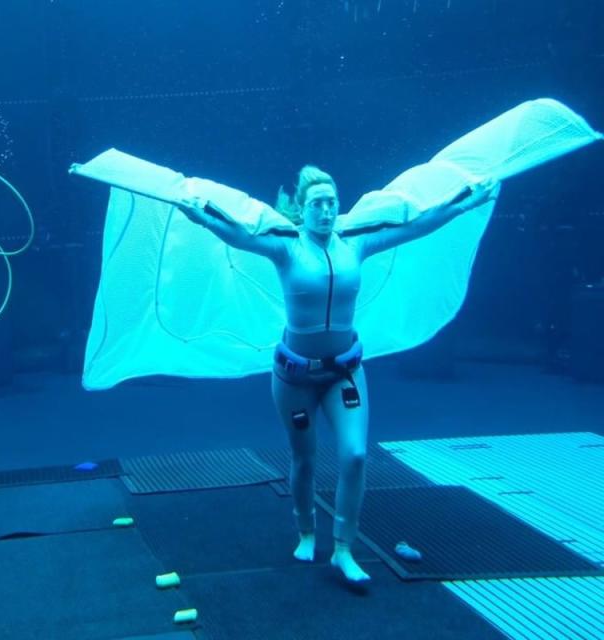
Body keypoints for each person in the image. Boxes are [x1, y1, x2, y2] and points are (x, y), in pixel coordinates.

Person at [178, 167, 498, 583]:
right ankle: (307, 530)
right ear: (303, 209)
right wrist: (200, 216)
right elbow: (239, 235)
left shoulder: (357, 242)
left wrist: (467, 201)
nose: (326, 211)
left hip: (343, 373)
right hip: (294, 378)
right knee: (304, 458)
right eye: (317, 204)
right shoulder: (286, 248)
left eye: (332, 202)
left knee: (356, 455)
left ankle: (344, 548)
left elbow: (418, 225)